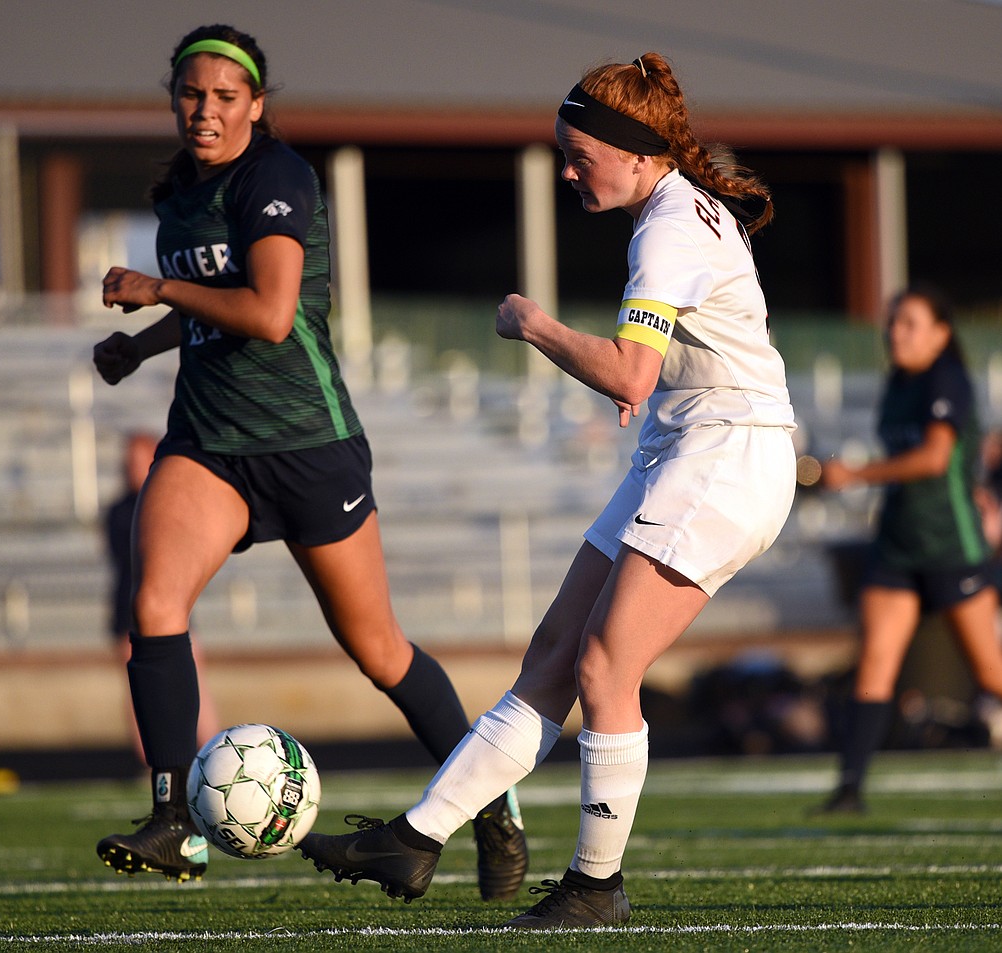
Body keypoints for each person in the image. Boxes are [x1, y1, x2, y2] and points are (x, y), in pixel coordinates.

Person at [298, 52, 797, 929]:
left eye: (577, 153)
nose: (567, 170)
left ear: (638, 153)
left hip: (728, 453)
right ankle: (415, 838)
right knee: (555, 654)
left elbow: (628, 375)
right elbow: (655, 375)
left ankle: (595, 886)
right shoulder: (674, 209)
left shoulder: (671, 223)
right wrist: (647, 389)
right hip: (689, 444)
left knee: (607, 665)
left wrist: (530, 322)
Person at [90, 24, 526, 898]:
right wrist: (144, 347)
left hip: (306, 445)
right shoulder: (180, 189)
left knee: (378, 649)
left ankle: (493, 810)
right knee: (154, 601)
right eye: (190, 93)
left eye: (223, 96)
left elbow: (271, 312)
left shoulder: (277, 177)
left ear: (256, 104)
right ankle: (175, 821)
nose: (204, 110)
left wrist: (157, 288)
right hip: (209, 441)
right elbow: (215, 296)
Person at [815, 284, 1002, 813]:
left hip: (950, 542)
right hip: (898, 543)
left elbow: (936, 459)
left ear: (941, 334)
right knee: (874, 664)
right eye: (893, 323)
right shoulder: (899, 381)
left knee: (990, 674)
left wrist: (854, 475)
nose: (897, 333)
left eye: (910, 324)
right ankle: (849, 790)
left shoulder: (947, 378)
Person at [104, 430, 219, 764]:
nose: (133, 468)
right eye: (130, 462)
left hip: (175, 607)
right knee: (141, 689)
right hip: (130, 610)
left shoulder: (169, 500)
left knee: (194, 682)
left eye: (140, 460)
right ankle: (155, 763)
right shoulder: (121, 511)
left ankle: (213, 754)